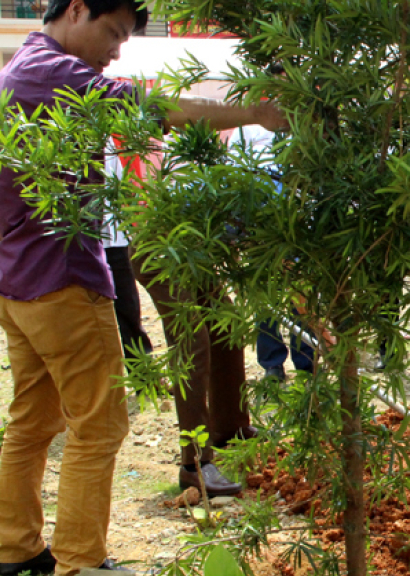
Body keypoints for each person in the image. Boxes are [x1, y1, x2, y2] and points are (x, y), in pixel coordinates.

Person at [0, 0, 286, 573]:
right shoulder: (54, 72)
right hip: (61, 277)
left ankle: (16, 547)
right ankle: (81, 559)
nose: (117, 49)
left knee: (33, 420)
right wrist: (254, 111)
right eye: (113, 32)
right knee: (100, 424)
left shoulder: (24, 66)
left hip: (19, 276)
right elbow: (152, 109)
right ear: (76, 9)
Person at [227, 124, 315, 381]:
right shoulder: (245, 129)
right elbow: (234, 175)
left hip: (295, 217)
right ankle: (272, 364)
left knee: (300, 291)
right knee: (266, 294)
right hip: (257, 221)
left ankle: (306, 363)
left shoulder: (302, 126)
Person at [102, 145, 153, 363]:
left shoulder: (110, 141)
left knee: (128, 307)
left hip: (116, 238)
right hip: (82, 241)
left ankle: (144, 373)